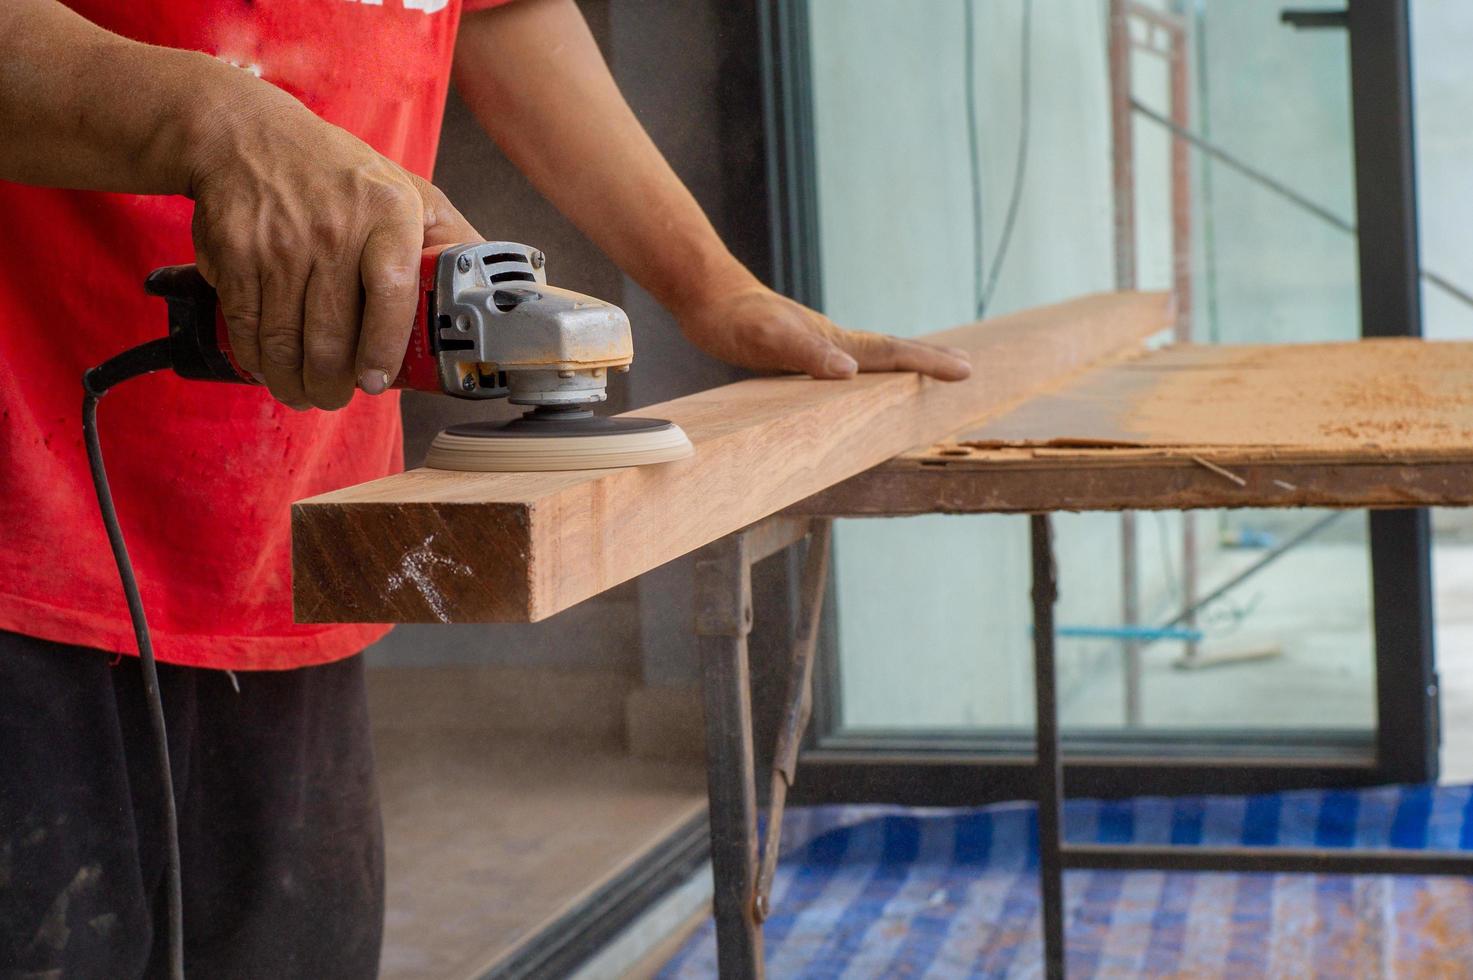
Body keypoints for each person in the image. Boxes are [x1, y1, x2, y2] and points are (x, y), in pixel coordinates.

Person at [0, 0, 971, 975]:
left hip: (286, 544)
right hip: (25, 510)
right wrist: (214, 119)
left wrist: (712, 283)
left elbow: (505, 18)